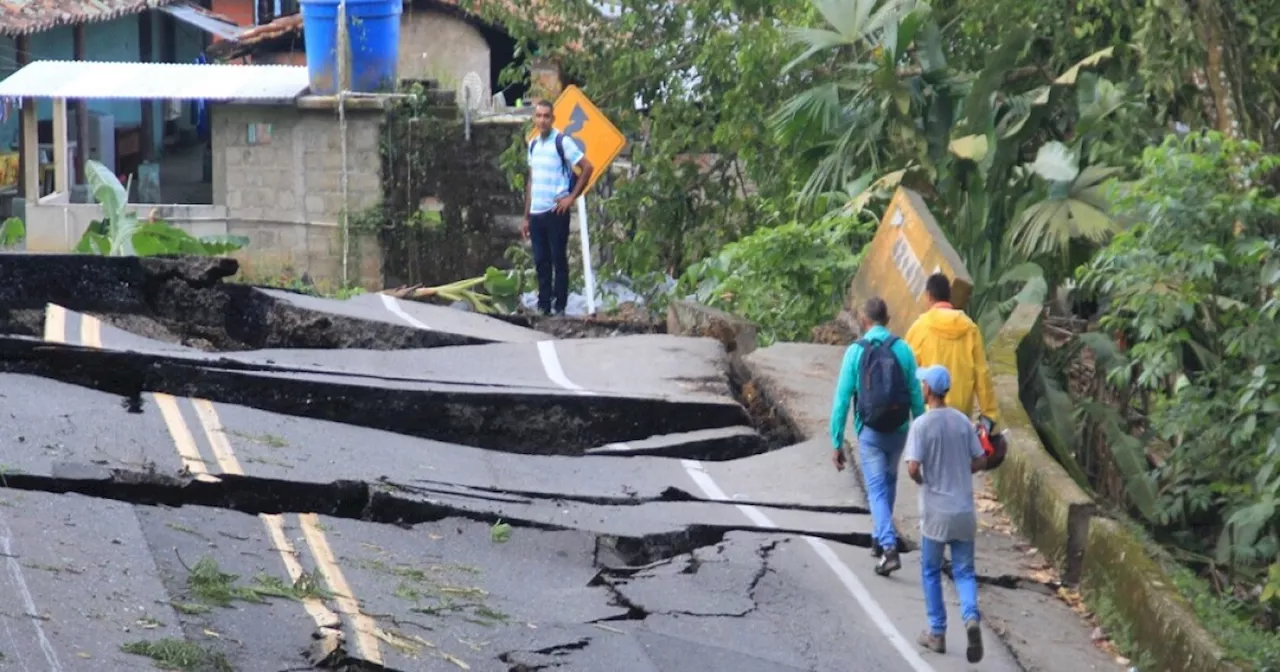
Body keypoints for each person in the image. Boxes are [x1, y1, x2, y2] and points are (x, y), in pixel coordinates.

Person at [829, 297, 925, 576]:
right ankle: (878, 538)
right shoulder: (903, 349)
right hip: (898, 430)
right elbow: (916, 395)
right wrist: (921, 433)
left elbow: (842, 400)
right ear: (888, 319)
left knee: (876, 489)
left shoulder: (855, 352)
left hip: (870, 431)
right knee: (888, 480)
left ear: (863, 320)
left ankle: (888, 546)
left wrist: (836, 441)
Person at [904, 364, 988, 663]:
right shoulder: (963, 422)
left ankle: (937, 632)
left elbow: (912, 467)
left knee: (930, 570)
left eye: (923, 383)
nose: (921, 387)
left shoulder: (922, 425)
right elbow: (980, 459)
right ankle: (970, 617)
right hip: (964, 510)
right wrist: (961, 470)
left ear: (928, 390)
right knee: (964, 572)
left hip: (936, 513)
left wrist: (923, 480)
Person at [523, 100, 595, 315]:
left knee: (558, 260)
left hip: (556, 211)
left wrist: (571, 197)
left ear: (552, 119)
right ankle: (543, 305)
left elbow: (587, 167)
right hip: (536, 212)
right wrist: (526, 216)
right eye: (539, 116)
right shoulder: (533, 145)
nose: (542, 120)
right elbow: (531, 181)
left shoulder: (562, 142)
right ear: (534, 119)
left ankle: (560, 305)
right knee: (540, 261)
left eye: (546, 116)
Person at [905, 273, 999, 425]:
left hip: (929, 412)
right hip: (961, 414)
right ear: (950, 296)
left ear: (928, 296)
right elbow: (982, 373)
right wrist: (989, 413)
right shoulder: (970, 329)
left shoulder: (919, 328)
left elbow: (906, 369)